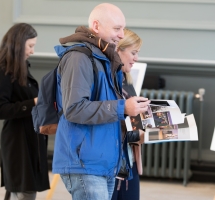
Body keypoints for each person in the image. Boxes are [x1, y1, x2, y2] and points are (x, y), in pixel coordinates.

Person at [52, 3, 150, 200]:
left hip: (104, 164)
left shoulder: (105, 61)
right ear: (96, 26)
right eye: (117, 28)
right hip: (85, 164)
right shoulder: (79, 58)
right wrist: (124, 107)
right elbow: (74, 109)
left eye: (122, 28)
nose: (122, 35)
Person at [0, 23, 50, 200]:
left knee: (22, 191)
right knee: (23, 191)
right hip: (18, 142)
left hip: (30, 140)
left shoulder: (20, 67)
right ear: (18, 43)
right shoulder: (3, 70)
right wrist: (34, 102)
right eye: (30, 46)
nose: (32, 51)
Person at [111, 28, 145, 200]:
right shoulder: (108, 83)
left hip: (129, 163)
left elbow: (134, 128)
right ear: (118, 49)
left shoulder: (128, 83)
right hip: (112, 165)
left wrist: (145, 132)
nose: (136, 59)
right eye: (133, 53)